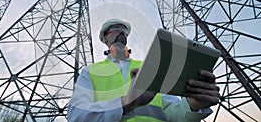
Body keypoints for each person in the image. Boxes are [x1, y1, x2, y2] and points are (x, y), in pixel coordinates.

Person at [67, 18, 220, 122]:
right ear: (104, 38)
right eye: (115, 29)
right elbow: (76, 115)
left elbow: (174, 114)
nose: (121, 32)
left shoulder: (148, 66)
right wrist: (125, 103)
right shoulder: (90, 71)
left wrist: (192, 106)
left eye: (124, 31)